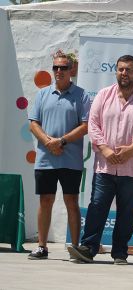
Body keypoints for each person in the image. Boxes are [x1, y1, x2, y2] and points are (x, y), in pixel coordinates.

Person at [68, 55, 133, 265]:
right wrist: (105, 149)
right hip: (105, 164)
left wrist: (132, 149)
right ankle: (88, 248)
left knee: (127, 211)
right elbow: (93, 124)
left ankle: (120, 253)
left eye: (128, 70)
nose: (124, 73)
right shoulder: (103, 95)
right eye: (120, 69)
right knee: (97, 206)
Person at [28, 51, 90, 260]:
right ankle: (42, 246)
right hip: (45, 159)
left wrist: (61, 141)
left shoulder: (81, 95)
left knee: (71, 200)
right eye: (55, 67)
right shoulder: (42, 94)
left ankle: (75, 247)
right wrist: (48, 142)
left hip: (70, 160)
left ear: (71, 70)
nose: (59, 71)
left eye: (63, 68)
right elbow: (33, 123)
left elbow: (85, 126)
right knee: (45, 200)